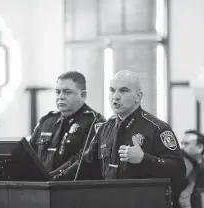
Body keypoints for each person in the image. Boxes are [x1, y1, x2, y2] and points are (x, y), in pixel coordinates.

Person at [59, 70, 186, 207]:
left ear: (138, 96)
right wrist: (53, 179)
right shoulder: (104, 129)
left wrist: (144, 159)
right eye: (112, 90)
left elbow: (178, 170)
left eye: (123, 91)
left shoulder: (157, 129)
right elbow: (84, 165)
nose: (116, 96)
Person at [29, 71, 106, 179]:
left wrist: (50, 177)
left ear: (82, 95)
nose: (61, 97)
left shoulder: (94, 122)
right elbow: (29, 155)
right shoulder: (47, 121)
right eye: (58, 92)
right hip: (41, 188)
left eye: (67, 92)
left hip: (70, 189)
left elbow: (82, 161)